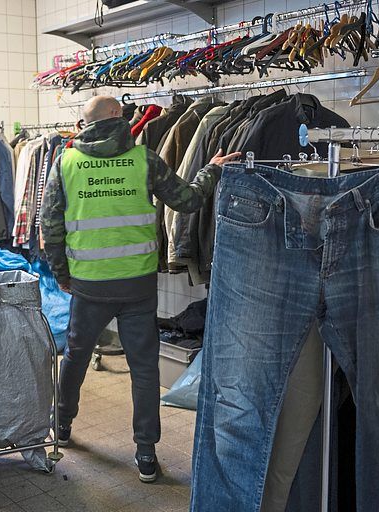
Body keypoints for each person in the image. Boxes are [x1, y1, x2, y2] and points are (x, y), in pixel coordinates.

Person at [41, 95, 240, 483]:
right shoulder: (143, 159)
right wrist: (212, 171)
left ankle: (62, 426)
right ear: (117, 117)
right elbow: (189, 200)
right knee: (145, 369)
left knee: (76, 357)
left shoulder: (65, 163)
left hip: (89, 285)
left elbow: (50, 228)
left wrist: (61, 275)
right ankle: (146, 454)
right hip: (137, 285)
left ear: (86, 124)